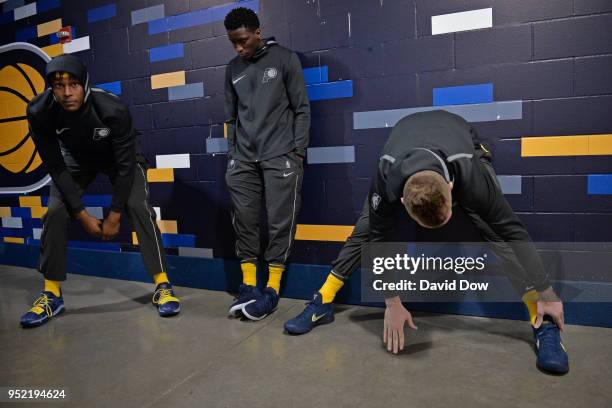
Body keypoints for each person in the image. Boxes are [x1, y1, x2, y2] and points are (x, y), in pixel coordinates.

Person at [284, 110, 569, 375]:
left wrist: (547, 292)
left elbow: (514, 232)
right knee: (367, 228)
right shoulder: (386, 177)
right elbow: (378, 242)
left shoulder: (470, 175)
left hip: (462, 144)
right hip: (405, 143)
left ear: (452, 189)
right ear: (403, 201)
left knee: (493, 230)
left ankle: (542, 320)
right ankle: (322, 300)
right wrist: (392, 303)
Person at [20, 54, 180, 328]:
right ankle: (51, 294)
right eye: (59, 86)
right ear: (51, 88)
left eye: (74, 84)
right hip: (74, 161)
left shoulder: (111, 108)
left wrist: (114, 215)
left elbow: (126, 165)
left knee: (138, 206)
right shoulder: (39, 111)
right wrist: (81, 215)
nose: (67, 92)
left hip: (120, 159)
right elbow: (55, 166)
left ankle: (162, 285)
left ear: (85, 84)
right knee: (56, 211)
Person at [223, 7, 310, 321]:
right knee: (245, 219)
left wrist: (297, 152)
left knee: (279, 221)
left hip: (281, 155)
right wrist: (233, 155)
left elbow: (301, 108)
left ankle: (272, 289)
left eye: (243, 41)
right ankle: (249, 285)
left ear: (257, 33)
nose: (238, 48)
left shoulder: (285, 59)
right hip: (243, 159)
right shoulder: (233, 68)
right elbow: (231, 118)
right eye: (233, 42)